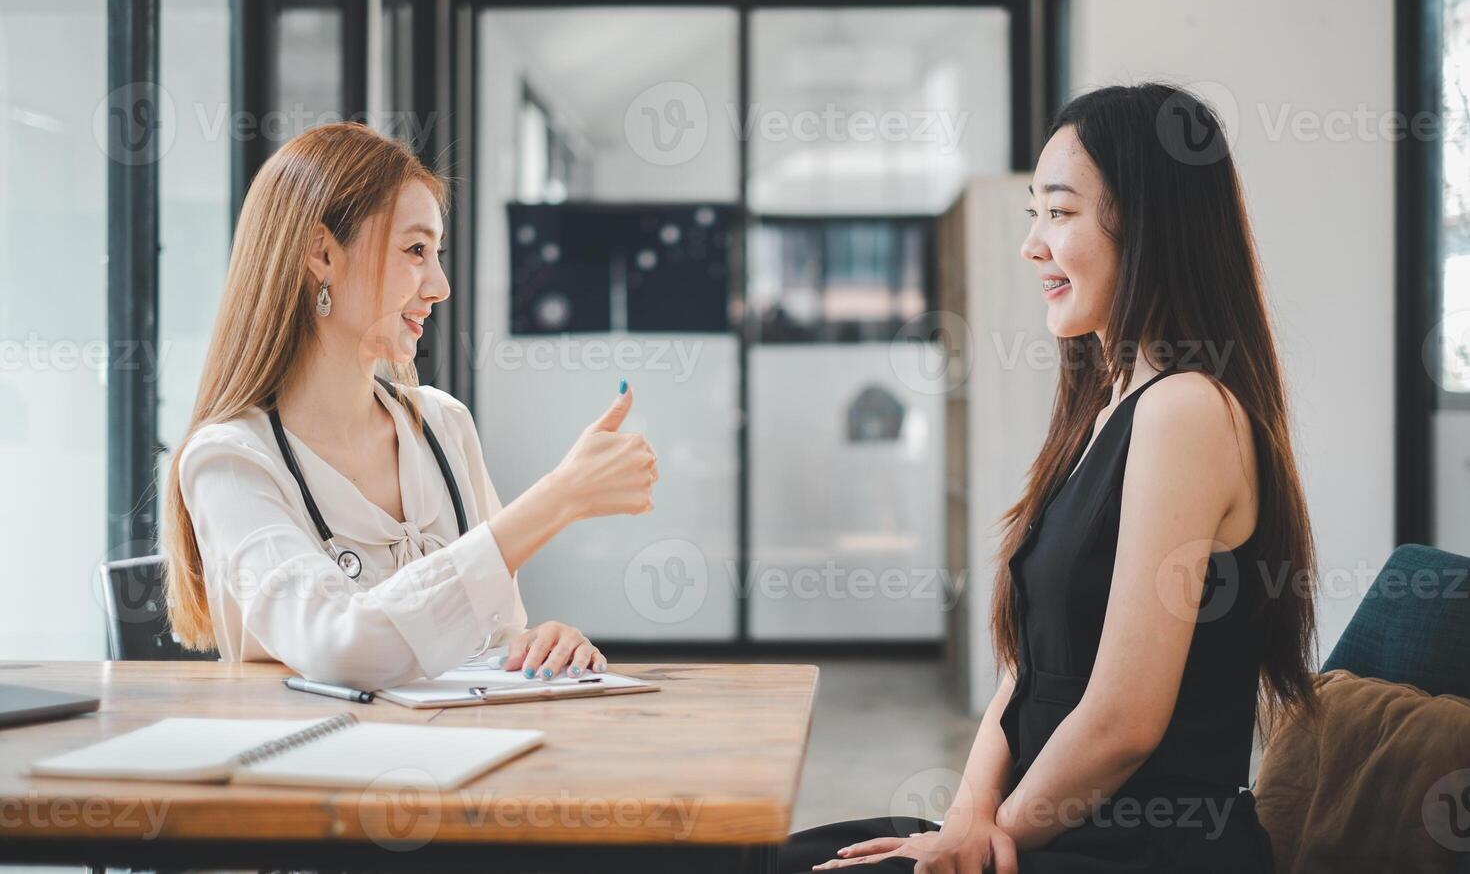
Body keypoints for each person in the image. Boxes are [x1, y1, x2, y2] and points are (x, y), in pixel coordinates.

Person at [780, 84, 1322, 873]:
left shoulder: (1188, 412)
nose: (1033, 245)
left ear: (1150, 227)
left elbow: (1123, 723)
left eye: (1059, 214)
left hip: (1143, 848)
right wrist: (967, 815)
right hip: (1049, 825)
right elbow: (1029, 671)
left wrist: (983, 840)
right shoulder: (1108, 404)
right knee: (783, 855)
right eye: (1033, 214)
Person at [161, 122, 658, 691]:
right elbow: (343, 647)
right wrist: (559, 497)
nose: (440, 285)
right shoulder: (230, 460)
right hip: (311, 769)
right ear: (321, 252)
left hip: (464, 762)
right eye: (416, 250)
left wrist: (542, 645)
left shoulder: (444, 426)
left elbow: (496, 633)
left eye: (437, 253)